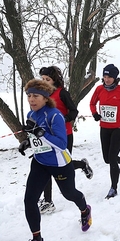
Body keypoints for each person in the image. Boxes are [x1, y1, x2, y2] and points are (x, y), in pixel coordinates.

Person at [18, 79, 91, 241]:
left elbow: (61, 144)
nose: (31, 100)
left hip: (59, 163)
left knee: (69, 194)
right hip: (40, 162)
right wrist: (27, 142)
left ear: (44, 98)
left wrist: (41, 134)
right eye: (29, 96)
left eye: (35, 96)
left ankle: (85, 209)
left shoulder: (55, 115)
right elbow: (36, 139)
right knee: (29, 200)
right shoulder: (31, 115)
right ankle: (37, 239)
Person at [38, 66, 93, 214]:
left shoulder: (62, 93)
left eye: (47, 79)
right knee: (46, 166)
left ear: (54, 80)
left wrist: (63, 119)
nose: (44, 82)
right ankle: (48, 201)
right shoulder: (40, 95)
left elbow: (74, 111)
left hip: (64, 135)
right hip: (46, 138)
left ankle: (81, 164)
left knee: (64, 166)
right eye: (42, 79)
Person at [89, 64, 120, 199]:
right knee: (106, 158)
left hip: (119, 128)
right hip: (104, 127)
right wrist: (95, 114)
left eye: (109, 77)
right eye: (105, 76)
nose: (107, 79)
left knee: (111, 156)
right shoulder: (99, 89)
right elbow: (92, 103)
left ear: (115, 77)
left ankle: (113, 188)